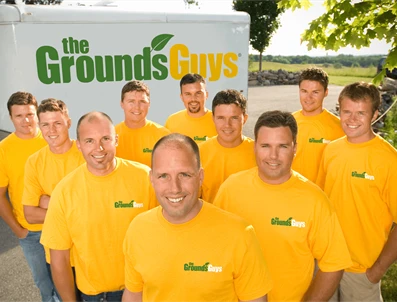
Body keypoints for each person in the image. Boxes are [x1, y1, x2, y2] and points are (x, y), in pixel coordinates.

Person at [214, 110, 352, 302]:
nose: (273, 156)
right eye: (265, 146)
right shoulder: (230, 188)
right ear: (255, 147)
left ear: (295, 148)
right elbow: (214, 246)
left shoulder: (314, 200)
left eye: (282, 146)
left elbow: (334, 264)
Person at [122, 133, 273, 302]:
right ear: (152, 179)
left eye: (184, 175)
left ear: (200, 176)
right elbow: (133, 295)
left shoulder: (239, 234)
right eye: (163, 176)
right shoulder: (138, 229)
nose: (175, 188)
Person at [40, 112, 157, 302]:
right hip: (95, 296)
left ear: (116, 139)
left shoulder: (146, 178)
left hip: (144, 291)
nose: (99, 148)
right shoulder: (65, 191)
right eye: (89, 141)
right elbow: (59, 258)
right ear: (78, 145)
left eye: (105, 138)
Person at [316, 82, 397, 301]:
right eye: (347, 112)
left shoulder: (389, 160)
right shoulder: (331, 150)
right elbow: (321, 203)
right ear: (339, 111)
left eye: (361, 113)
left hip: (362, 270)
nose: (352, 119)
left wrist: (376, 271)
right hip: (326, 261)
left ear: (375, 115)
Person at [22, 99, 85, 299]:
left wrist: (51, 202)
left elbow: (98, 205)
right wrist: (71, 209)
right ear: (39, 127)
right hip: (58, 257)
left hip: (90, 253)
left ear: (68, 122)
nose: (52, 130)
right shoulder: (34, 162)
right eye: (45, 124)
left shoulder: (86, 153)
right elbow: (30, 214)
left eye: (57, 123)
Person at [0, 92, 53, 301]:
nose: (26, 121)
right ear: (10, 118)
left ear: (38, 114)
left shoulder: (51, 139)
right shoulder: (4, 150)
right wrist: (18, 230)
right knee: (44, 284)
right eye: (19, 116)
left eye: (30, 114)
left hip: (59, 225)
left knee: (68, 281)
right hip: (30, 233)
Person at [199, 89, 255, 203]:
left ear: (244, 119)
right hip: (212, 219)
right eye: (221, 118)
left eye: (234, 118)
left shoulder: (259, 152)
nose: (227, 125)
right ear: (213, 119)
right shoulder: (198, 153)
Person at [292, 67, 344, 182]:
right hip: (291, 194)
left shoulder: (339, 127)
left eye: (315, 92)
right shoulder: (288, 122)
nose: (308, 97)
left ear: (326, 92)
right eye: (304, 91)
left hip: (322, 196)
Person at [115, 80, 170, 167]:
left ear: (149, 104)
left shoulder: (163, 136)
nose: (137, 107)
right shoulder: (112, 136)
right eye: (131, 102)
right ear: (122, 104)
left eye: (142, 102)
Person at [165, 73, 217, 143]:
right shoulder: (172, 121)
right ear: (181, 97)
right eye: (188, 94)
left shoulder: (218, 121)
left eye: (198, 93)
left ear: (206, 95)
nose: (193, 99)